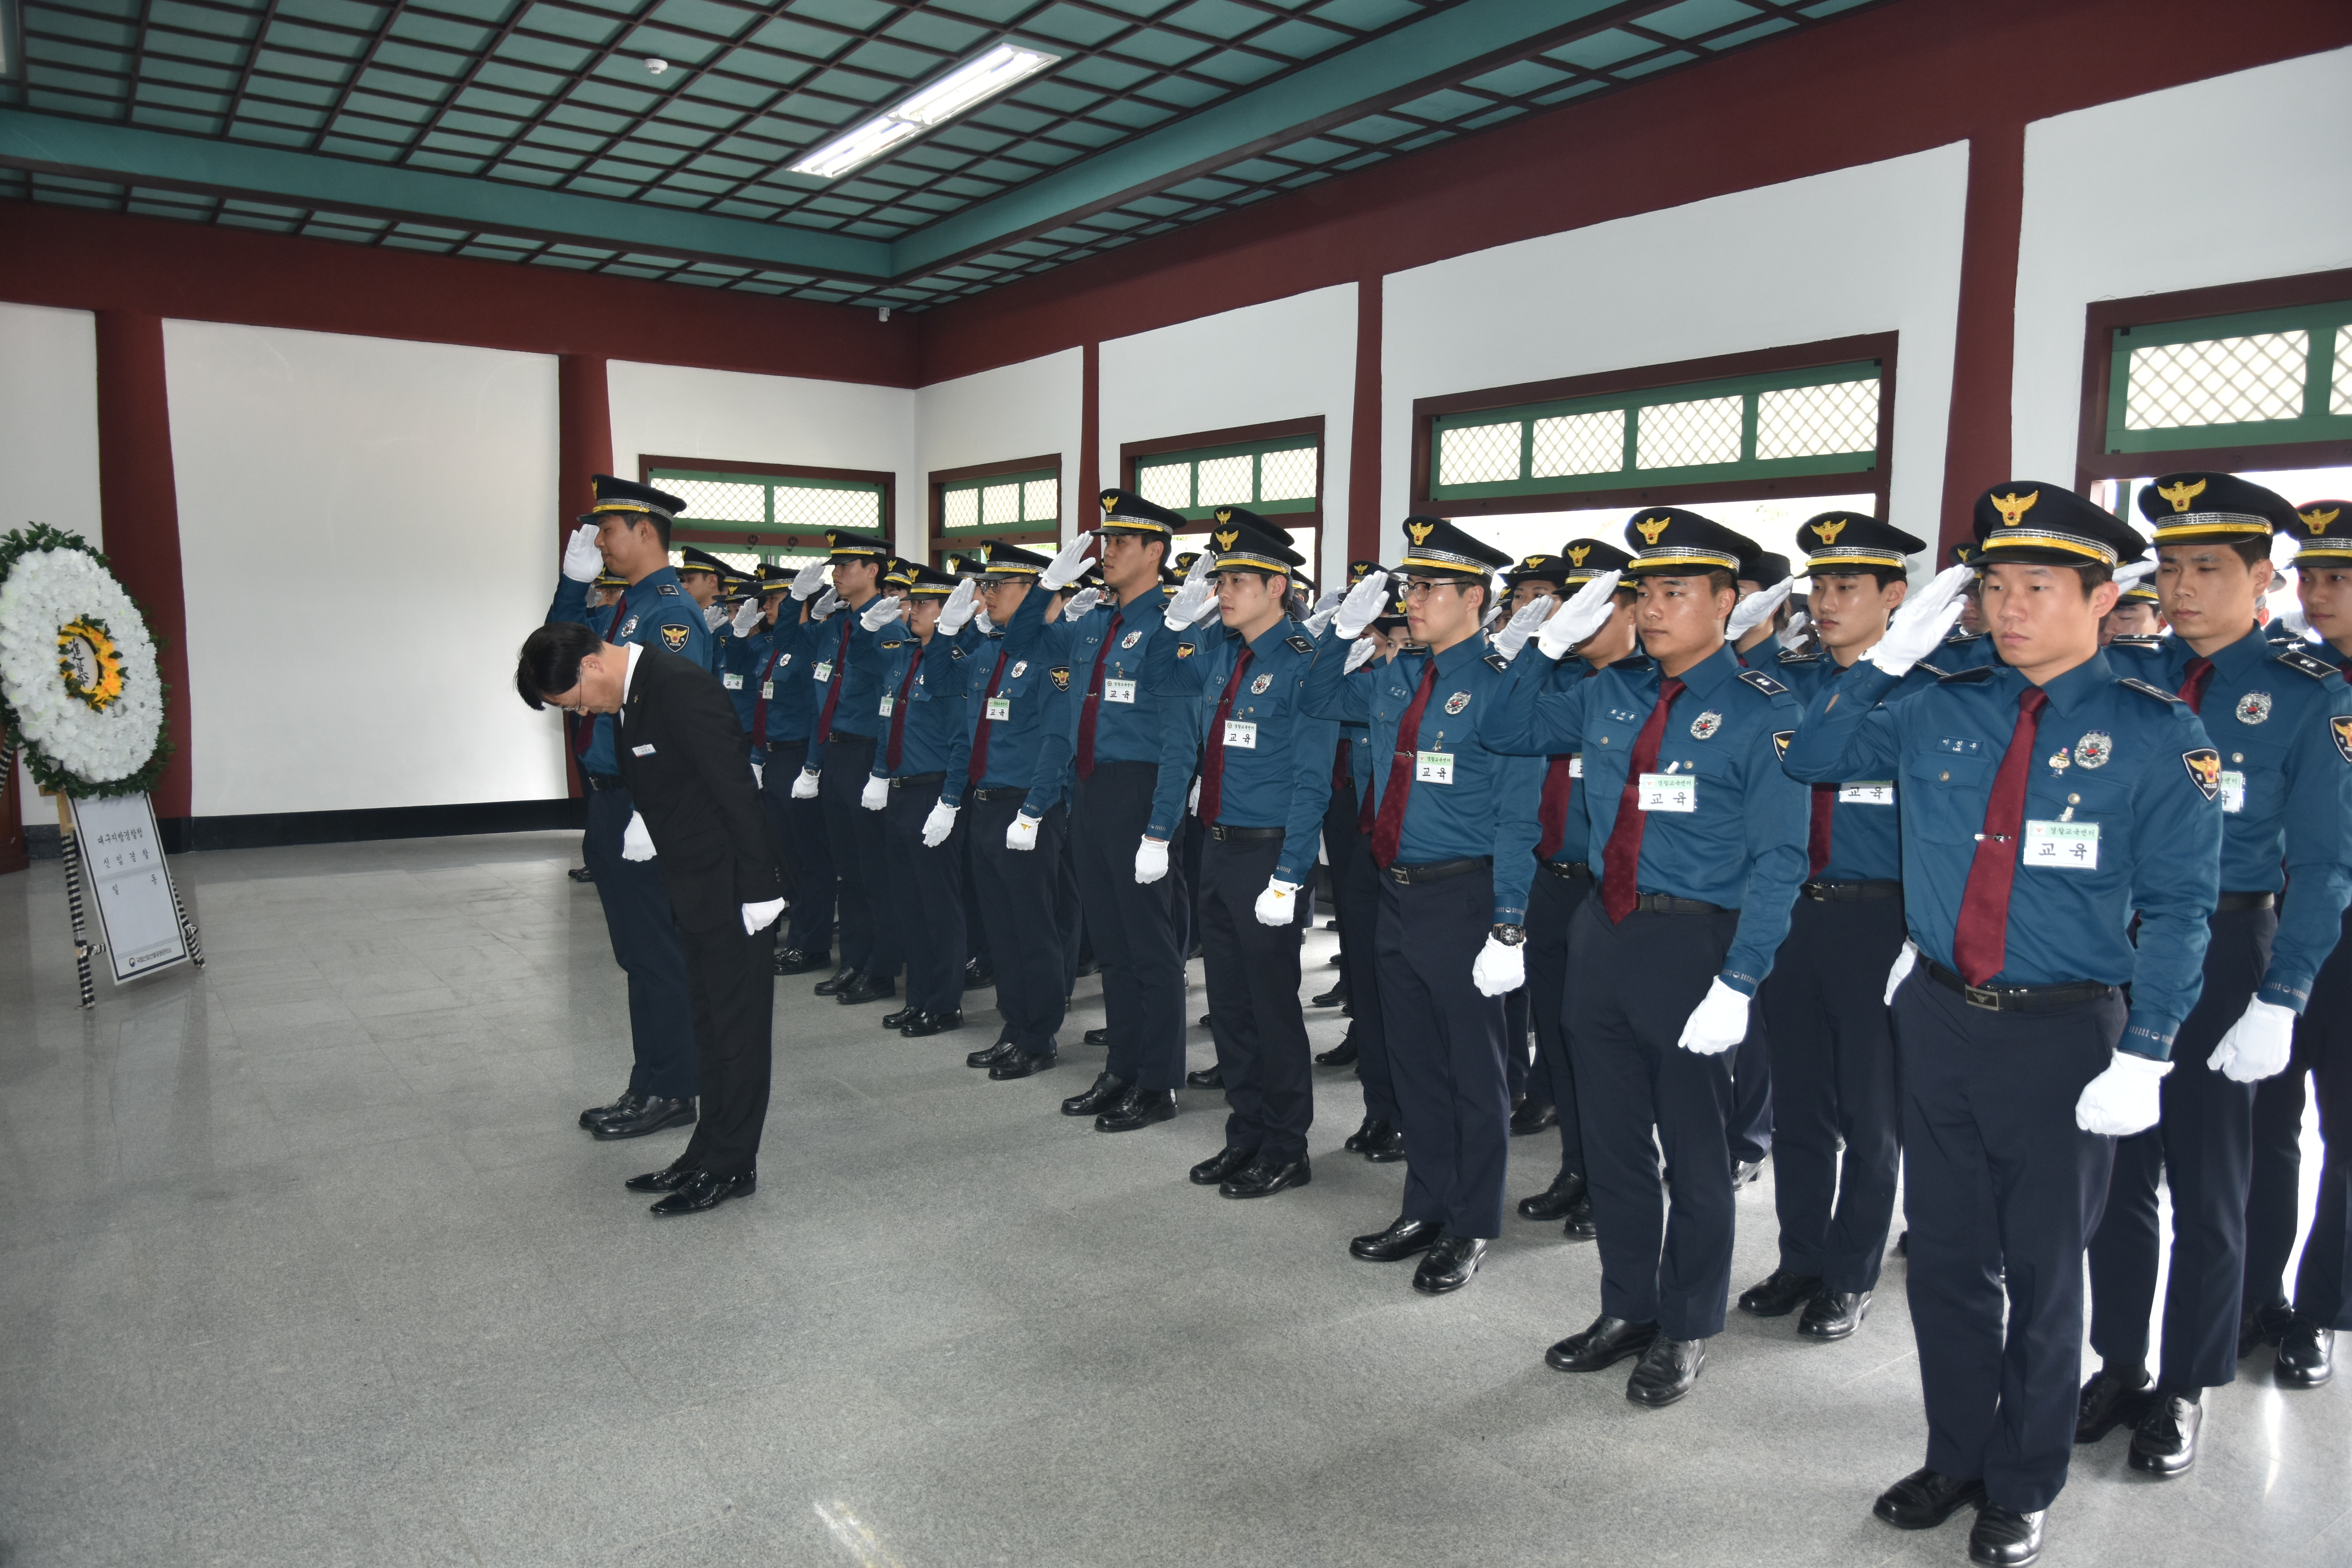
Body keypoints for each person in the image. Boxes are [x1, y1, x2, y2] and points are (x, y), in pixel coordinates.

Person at [1784, 481, 2221, 1568]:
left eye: (2037, 586)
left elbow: (2182, 910)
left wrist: (2150, 1048)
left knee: (2043, 1271)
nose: (2008, 607)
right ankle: (1957, 1453)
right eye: (1993, 586)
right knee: (1946, 1260)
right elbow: (1811, 758)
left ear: (2101, 597)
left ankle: (2024, 1480)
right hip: (1939, 1014)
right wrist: (1882, 666)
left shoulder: (2156, 732)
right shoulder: (1940, 702)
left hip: (2064, 1034)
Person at [1487, 508, 1807, 1405]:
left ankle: (1689, 1322)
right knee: (1612, 1138)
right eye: (1645, 593)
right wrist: (1544, 645)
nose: (1654, 608)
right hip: (1605, 929)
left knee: (1696, 1150)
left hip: (1694, 941)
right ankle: (1627, 1304)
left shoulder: (1763, 711)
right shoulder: (1610, 692)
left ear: (1727, 602)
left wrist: (1741, 977)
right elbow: (1506, 729)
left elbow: (1782, 859)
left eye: (1675, 591)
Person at [2078, 473, 2352, 1476]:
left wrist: (2283, 994)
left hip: (2230, 949)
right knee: (2117, 1174)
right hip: (2115, 948)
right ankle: (2119, 1360)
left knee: (2211, 1181)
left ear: (2263, 578)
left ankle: (2187, 1382)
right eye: (2169, 567)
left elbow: (2326, 865)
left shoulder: (2308, 694)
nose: (2182, 587)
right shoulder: (2125, 677)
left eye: (2208, 568)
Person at [1302, 515, 1541, 1295]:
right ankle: (1426, 1203)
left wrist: (1509, 922)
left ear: (1475, 598)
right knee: (1413, 1062)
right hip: (1395, 892)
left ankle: (1472, 1222)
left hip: (1465, 895)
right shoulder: (1396, 675)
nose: (1413, 599)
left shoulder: (1503, 685)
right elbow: (1313, 696)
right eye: (1410, 587)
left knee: (1473, 1068)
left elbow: (1519, 818)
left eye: (1430, 587)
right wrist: (1340, 633)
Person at [1737, 511, 1931, 1343]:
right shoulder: (1788, 683)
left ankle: (1851, 1273)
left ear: (1895, 595)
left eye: (1846, 585)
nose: (1825, 601)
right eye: (1818, 584)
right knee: (1801, 1104)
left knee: (1870, 1110)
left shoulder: (1927, 694)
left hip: (1880, 922)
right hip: (1793, 912)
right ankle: (1802, 1257)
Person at [515, 621, 782, 1216]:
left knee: (738, 1034)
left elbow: (735, 787)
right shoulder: (632, 697)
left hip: (732, 888)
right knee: (709, 1027)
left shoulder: (677, 686)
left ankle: (733, 1166)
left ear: (590, 665)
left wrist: (762, 887)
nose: (583, 711)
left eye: (575, 701)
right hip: (692, 884)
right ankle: (704, 1152)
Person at [1144, 509, 1335, 1195]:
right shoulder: (1221, 653)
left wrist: (1290, 876)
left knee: (1271, 1007)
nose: (1221, 593)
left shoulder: (1305, 663)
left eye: (1236, 582)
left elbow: (1313, 783)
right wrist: (1174, 626)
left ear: (1277, 587)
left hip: (1269, 856)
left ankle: (1286, 1146)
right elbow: (1159, 678)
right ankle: (1246, 1131)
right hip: (1218, 847)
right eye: (1219, 581)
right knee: (1227, 1002)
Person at [1000, 493, 1198, 1102]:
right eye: (1105, 541)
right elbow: (1021, 642)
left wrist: (1160, 831)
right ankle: (1121, 1069)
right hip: (1089, 790)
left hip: (1139, 792)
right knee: (1112, 944)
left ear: (1155, 552)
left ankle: (1158, 1083)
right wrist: (1047, 586)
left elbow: (1180, 743)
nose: (1107, 552)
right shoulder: (1095, 624)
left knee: (1151, 948)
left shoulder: (1170, 628)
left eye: (1121, 542)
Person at [548, 475, 711, 1140]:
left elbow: (679, 719)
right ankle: (650, 1080)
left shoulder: (670, 614)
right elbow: (557, 654)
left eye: (608, 531)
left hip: (646, 806)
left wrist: (652, 808)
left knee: (656, 955)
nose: (600, 544)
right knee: (638, 955)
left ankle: (672, 1089)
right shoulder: (626, 607)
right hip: (613, 802)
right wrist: (572, 586)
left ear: (646, 531)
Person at [2241, 499, 2352, 1389]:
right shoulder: (2279, 679)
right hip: (2273, 922)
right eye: (2310, 575)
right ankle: (2253, 1297)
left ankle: (2321, 1312)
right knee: (2263, 1124)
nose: (2319, 593)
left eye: (2339, 577)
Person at [1511, 539, 1637, 1245]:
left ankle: (1615, 1179)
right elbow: (1504, 728)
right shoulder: (1574, 688)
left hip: (1614, 891)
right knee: (1562, 1032)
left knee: (1613, 1053)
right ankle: (1578, 1166)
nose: (1578, 619)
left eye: (1598, 607)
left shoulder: (1649, 695)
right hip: (1553, 879)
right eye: (1573, 605)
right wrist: (1542, 648)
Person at [957, 544, 1089, 1084]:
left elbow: (1058, 740)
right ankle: (1014, 1025)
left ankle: (1039, 1036)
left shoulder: (1053, 652)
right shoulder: (996, 650)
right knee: (1002, 927)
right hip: (988, 802)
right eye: (985, 586)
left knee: (1034, 927)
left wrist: (1035, 809)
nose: (987, 596)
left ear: (1034, 593)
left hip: (1026, 806)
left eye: (999, 587)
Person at [862, 564, 980, 1039]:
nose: (913, 610)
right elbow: (886, 722)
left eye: (924, 603)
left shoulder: (954, 663)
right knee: (908, 902)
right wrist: (879, 774)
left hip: (933, 793)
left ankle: (944, 1003)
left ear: (951, 611)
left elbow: (962, 742)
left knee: (939, 905)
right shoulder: (906, 658)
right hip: (900, 790)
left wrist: (949, 801)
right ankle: (919, 997)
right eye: (913, 602)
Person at [792, 528, 905, 1006]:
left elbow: (890, 706)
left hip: (866, 755)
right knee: (848, 871)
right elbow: (792, 650)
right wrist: (798, 603)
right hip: (835, 753)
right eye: (835, 566)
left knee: (874, 871)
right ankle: (855, 960)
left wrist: (880, 770)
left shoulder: (889, 628)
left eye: (846, 565)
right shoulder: (838, 624)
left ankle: (881, 969)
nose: (836, 573)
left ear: (872, 570)